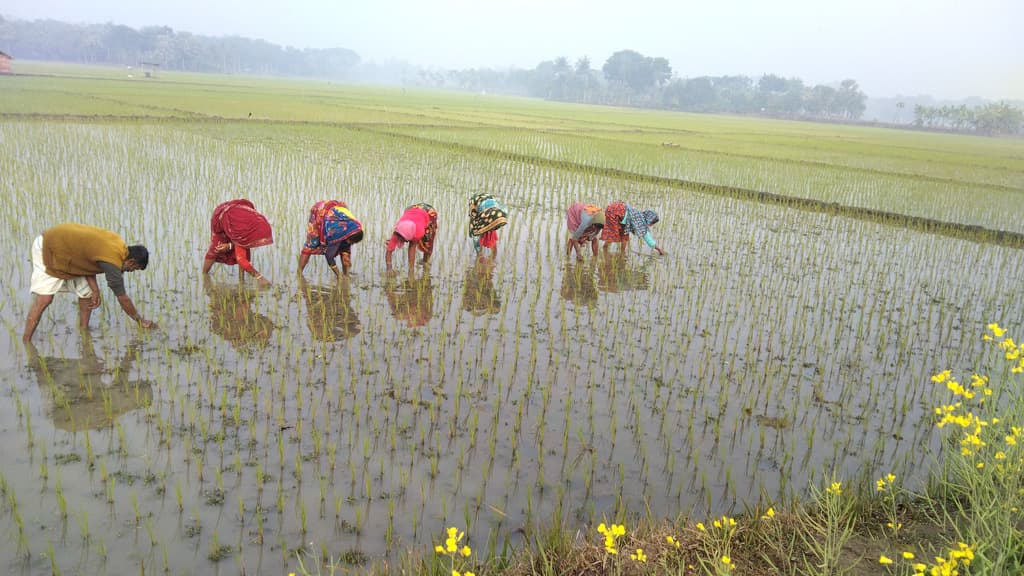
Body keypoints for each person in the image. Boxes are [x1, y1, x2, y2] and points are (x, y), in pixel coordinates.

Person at [23, 223, 156, 342]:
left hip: (68, 248)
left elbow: (87, 258)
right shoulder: (113, 261)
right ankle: (26, 342)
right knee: (45, 298)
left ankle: (84, 332)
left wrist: (95, 290)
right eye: (133, 269)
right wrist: (140, 321)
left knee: (87, 293)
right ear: (131, 261)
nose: (129, 271)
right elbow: (122, 298)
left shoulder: (118, 245)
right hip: (50, 246)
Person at [202, 199, 273, 285]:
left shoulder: (258, 222)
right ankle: (204, 276)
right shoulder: (241, 231)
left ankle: (241, 280)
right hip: (221, 218)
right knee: (215, 249)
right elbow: (241, 260)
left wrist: (230, 246)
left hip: (236, 217)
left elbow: (242, 251)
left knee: (244, 247)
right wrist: (260, 278)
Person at [298, 200, 364, 279]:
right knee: (311, 244)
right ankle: (299, 273)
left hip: (335, 214)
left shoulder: (354, 228)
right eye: (352, 242)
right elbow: (329, 256)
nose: (352, 244)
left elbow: (347, 245)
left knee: (345, 250)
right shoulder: (335, 232)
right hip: (319, 212)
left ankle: (346, 275)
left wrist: (346, 256)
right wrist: (338, 275)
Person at [385, 203, 438, 272]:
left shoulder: (418, 232)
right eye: (401, 239)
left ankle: (425, 261)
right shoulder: (397, 232)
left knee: (427, 242)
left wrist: (411, 270)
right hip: (411, 209)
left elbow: (412, 247)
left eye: (405, 239)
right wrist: (389, 269)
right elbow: (389, 251)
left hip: (429, 212)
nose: (405, 242)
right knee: (402, 240)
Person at [601, 201, 667, 256]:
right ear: (650, 220)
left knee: (623, 233)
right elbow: (648, 238)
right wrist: (659, 249)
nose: (651, 225)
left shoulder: (638, 214)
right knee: (616, 234)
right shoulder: (641, 222)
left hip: (614, 208)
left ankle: (612, 250)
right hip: (616, 213)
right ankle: (615, 252)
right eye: (652, 223)